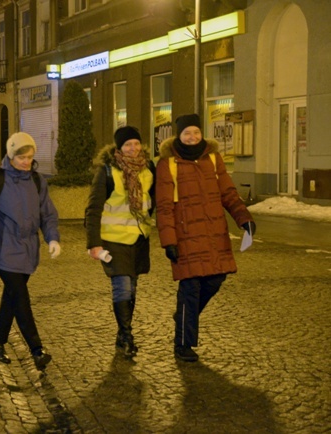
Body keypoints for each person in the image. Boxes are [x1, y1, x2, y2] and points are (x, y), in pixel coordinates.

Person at [155, 114, 256, 362]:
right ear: (178, 136)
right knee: (190, 288)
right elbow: (165, 205)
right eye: (187, 133)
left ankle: (183, 317)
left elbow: (228, 193)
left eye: (196, 132)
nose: (192, 137)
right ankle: (183, 344)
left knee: (215, 279)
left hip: (213, 233)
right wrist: (169, 240)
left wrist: (244, 218)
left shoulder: (213, 158)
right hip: (185, 234)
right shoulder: (168, 164)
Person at [0, 132, 60, 371]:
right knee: (20, 297)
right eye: (21, 157)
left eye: (29, 157)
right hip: (3, 250)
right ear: (10, 155)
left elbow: (48, 214)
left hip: (28, 250)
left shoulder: (38, 181)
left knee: (11, 297)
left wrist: (52, 237)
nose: (26, 162)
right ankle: (37, 349)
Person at [84, 126, 155, 358]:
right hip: (113, 240)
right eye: (127, 145)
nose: (132, 149)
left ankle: (122, 332)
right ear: (118, 148)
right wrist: (93, 243)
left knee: (132, 289)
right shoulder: (106, 172)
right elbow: (93, 209)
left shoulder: (148, 169)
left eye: (135, 144)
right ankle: (126, 334)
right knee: (122, 285)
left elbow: (153, 202)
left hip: (139, 238)